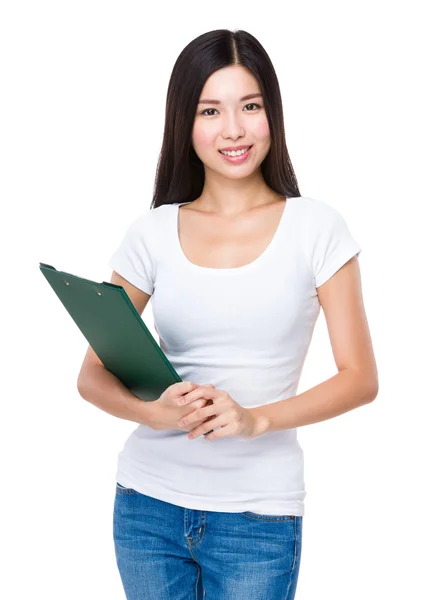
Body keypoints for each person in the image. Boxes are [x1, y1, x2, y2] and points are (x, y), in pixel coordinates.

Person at [77, 28, 378, 600]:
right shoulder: (152, 233)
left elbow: (360, 379)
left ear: (273, 114)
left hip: (257, 519)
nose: (233, 130)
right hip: (146, 508)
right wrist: (157, 414)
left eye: (250, 106)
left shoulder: (317, 228)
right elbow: (91, 374)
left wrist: (255, 420)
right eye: (210, 110)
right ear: (185, 123)